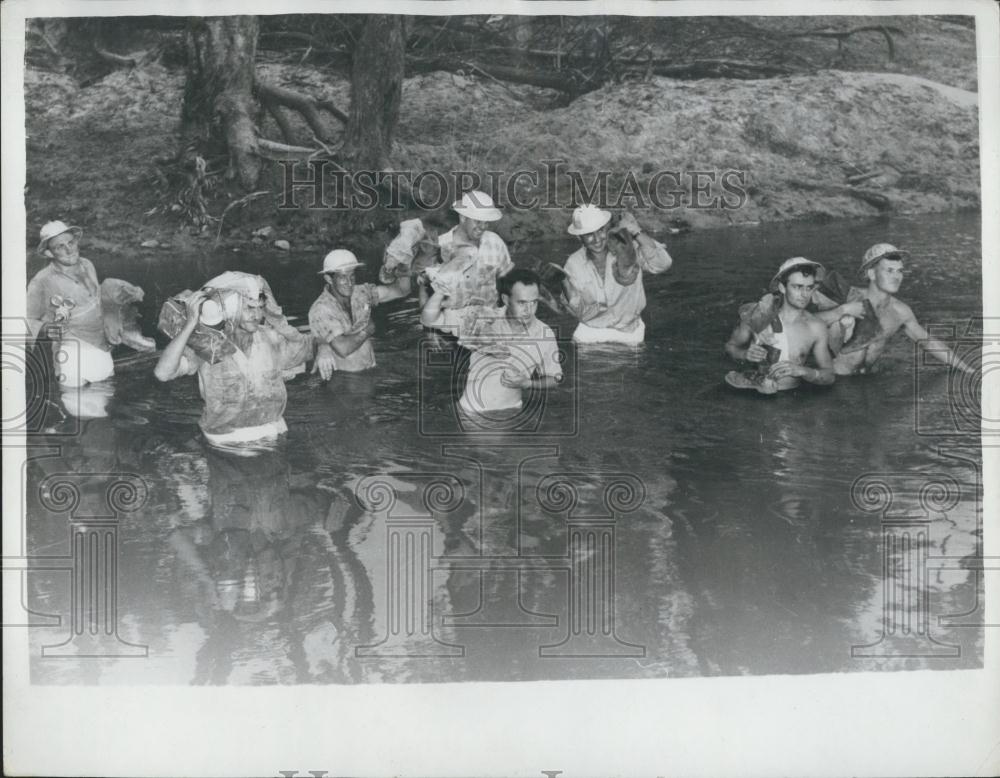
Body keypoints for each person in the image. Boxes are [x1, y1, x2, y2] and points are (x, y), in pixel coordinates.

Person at [154, 272, 324, 446]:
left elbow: (314, 344)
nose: (257, 315)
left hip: (275, 433)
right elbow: (163, 373)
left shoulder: (271, 339)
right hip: (226, 441)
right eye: (249, 308)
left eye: (259, 307)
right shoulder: (207, 346)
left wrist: (323, 348)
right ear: (229, 308)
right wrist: (190, 325)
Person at [812, 243, 977, 376]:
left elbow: (929, 342)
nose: (896, 276)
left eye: (899, 271)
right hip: (835, 380)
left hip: (868, 381)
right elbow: (802, 323)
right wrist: (841, 311)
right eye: (889, 271)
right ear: (871, 274)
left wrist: (967, 369)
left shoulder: (900, 312)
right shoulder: (847, 297)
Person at [26, 219, 154, 387]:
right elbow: (27, 322)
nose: (68, 249)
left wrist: (117, 299)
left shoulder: (87, 264)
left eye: (71, 242)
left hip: (102, 349)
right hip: (73, 354)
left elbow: (95, 300)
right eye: (60, 247)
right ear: (49, 253)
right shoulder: (42, 281)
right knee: (80, 404)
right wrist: (49, 329)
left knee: (104, 399)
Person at [420, 267, 562, 416]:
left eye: (534, 303)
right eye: (522, 303)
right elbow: (429, 320)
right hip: (473, 412)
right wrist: (441, 291)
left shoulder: (544, 333)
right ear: (506, 299)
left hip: (513, 412)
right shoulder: (481, 319)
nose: (529, 310)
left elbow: (556, 378)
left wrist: (528, 383)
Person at [558, 204, 673, 344]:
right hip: (590, 332)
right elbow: (578, 310)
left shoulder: (627, 247)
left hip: (629, 332)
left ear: (607, 228)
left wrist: (635, 232)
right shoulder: (573, 263)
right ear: (579, 238)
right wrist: (565, 286)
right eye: (589, 234)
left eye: (600, 231)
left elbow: (663, 264)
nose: (597, 239)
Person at [724, 257, 835, 394]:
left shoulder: (816, 327)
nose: (804, 294)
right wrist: (745, 354)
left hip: (792, 396)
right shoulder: (757, 317)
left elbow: (829, 376)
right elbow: (730, 347)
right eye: (797, 287)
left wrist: (803, 371)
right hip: (752, 396)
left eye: (809, 288)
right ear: (782, 288)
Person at [419, 190, 514, 335]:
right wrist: (429, 331)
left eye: (486, 222)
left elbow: (506, 281)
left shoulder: (494, 242)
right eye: (478, 221)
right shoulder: (441, 246)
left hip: (489, 325)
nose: (483, 227)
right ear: (463, 217)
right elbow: (425, 289)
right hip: (452, 327)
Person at [308, 249, 412, 378]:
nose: (350, 282)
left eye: (352, 276)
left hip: (369, 371)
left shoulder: (361, 292)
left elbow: (402, 290)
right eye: (343, 277)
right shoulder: (321, 309)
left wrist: (403, 267)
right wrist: (366, 331)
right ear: (329, 278)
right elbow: (343, 348)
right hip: (344, 381)